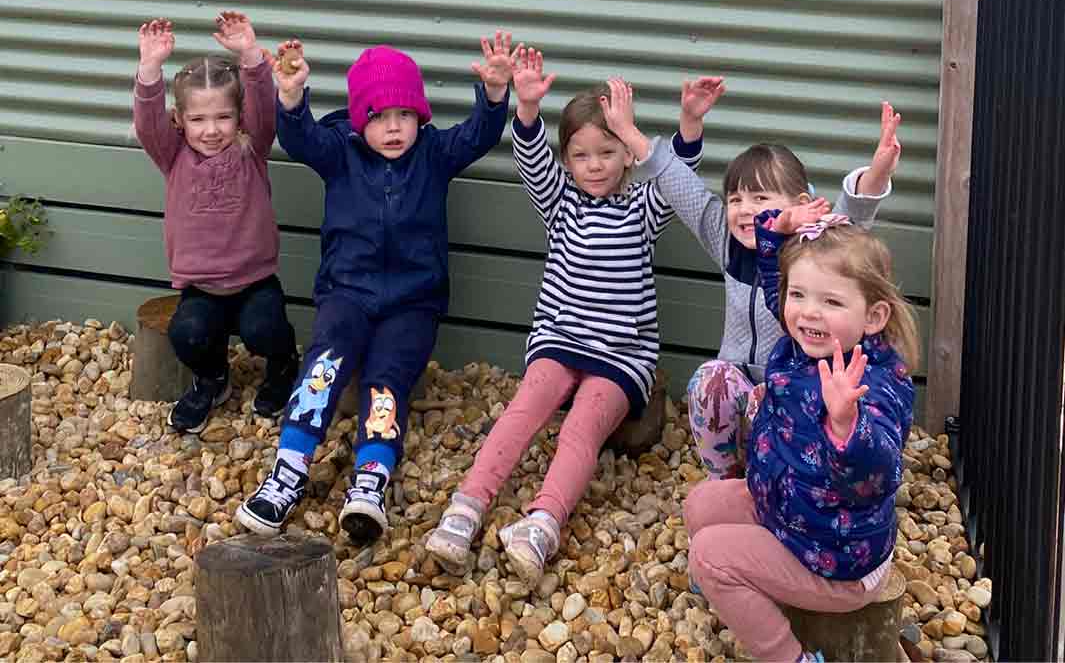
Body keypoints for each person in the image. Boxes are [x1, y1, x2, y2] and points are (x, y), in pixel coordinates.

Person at [427, 50, 703, 586]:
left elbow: (681, 183)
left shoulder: (642, 209)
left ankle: (544, 522)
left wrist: (689, 123)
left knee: (579, 430)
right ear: (568, 161)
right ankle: (465, 508)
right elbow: (532, 160)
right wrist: (527, 107)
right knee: (523, 410)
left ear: (628, 155)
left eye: (607, 151)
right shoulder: (561, 206)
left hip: (622, 357)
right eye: (580, 155)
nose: (594, 165)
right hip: (559, 340)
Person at [236, 32, 515, 544]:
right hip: (348, 292)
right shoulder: (340, 151)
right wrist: (293, 97)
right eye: (379, 117)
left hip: (412, 303)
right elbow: (298, 139)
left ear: (420, 118)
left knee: (387, 381)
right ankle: (289, 469)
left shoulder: (433, 153)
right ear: (360, 119)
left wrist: (495, 93)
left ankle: (371, 480)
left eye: (404, 116)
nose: (393, 128)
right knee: (324, 363)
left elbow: (477, 134)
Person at [685, 199, 919, 662]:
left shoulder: (872, 383)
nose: (808, 312)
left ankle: (789, 656)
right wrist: (778, 230)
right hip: (794, 513)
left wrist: (845, 425)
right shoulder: (806, 340)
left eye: (831, 301)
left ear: (873, 317)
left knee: (709, 552)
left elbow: (878, 474)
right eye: (799, 295)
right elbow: (778, 284)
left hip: (838, 559)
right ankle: (739, 587)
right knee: (702, 504)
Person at [669, 76, 902, 478]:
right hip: (738, 378)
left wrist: (878, 172)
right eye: (736, 199)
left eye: (760, 199)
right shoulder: (724, 239)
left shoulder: (814, 248)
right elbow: (680, 187)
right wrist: (679, 124)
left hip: (795, 392)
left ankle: (773, 479)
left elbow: (856, 213)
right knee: (710, 380)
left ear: (800, 204)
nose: (745, 210)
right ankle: (724, 478)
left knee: (771, 397)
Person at [132, 12, 299, 435]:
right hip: (201, 289)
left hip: (255, 282)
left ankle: (282, 367)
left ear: (239, 118)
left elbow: (264, 110)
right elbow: (147, 123)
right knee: (186, 334)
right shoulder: (173, 157)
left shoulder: (251, 148)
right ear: (180, 120)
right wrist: (150, 68)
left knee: (266, 330)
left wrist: (250, 55)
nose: (210, 130)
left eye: (222, 118)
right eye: (198, 120)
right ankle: (212, 378)